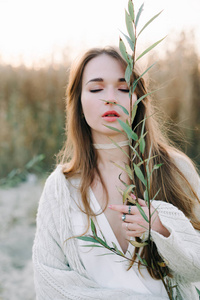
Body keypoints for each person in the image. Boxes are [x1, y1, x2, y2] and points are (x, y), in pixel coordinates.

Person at [32, 47, 200, 300]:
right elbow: (49, 283)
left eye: (124, 88)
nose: (110, 98)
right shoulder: (61, 188)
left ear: (140, 99)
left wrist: (163, 227)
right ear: (77, 100)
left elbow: (195, 269)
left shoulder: (175, 170)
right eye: (96, 89)